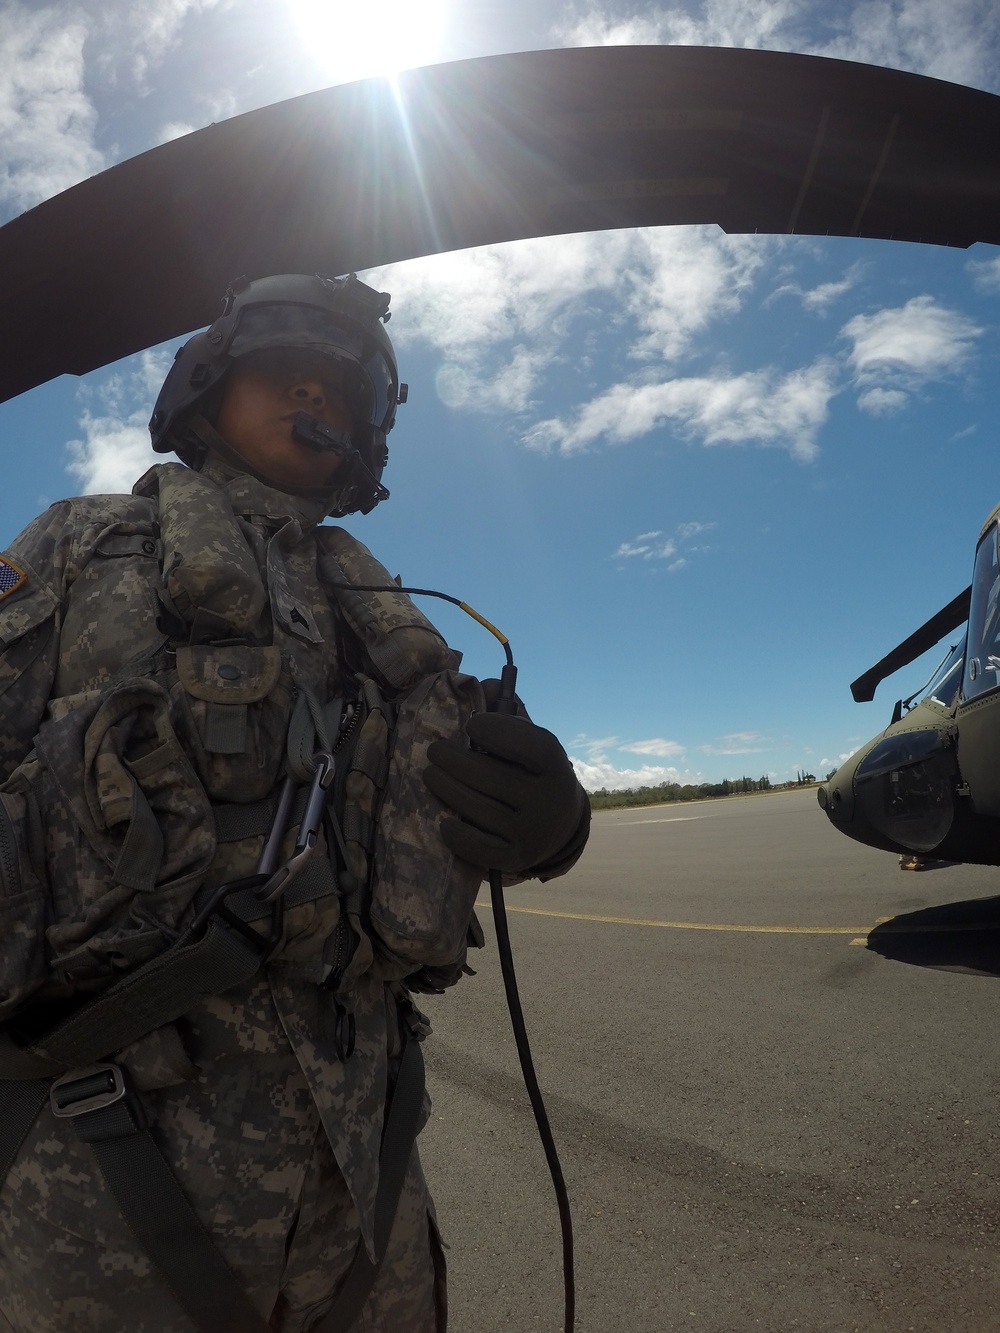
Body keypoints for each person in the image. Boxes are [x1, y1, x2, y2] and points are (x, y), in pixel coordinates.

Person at [0, 273, 589, 1332]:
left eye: (341, 390)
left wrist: (552, 826)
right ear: (210, 387)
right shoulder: (77, 549)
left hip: (363, 1175)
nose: (313, 396)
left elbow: (446, 827)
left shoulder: (389, 623)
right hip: (106, 1176)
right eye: (283, 370)